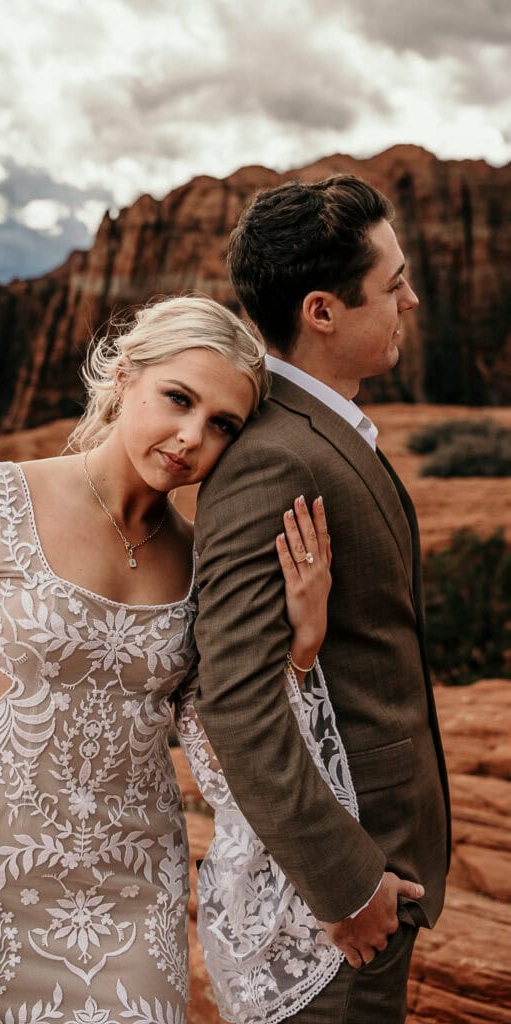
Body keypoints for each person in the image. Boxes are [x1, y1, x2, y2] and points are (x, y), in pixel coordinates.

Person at [0, 295, 331, 1024]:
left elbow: (220, 752)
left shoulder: (202, 562)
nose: (191, 436)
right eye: (178, 399)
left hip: (134, 897)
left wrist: (299, 650)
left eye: (222, 425)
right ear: (124, 376)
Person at [191, 177, 451, 1023]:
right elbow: (234, 698)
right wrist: (345, 885)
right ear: (321, 311)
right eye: (392, 282)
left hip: (380, 871)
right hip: (342, 901)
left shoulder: (322, 429)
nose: (409, 298)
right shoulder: (276, 458)